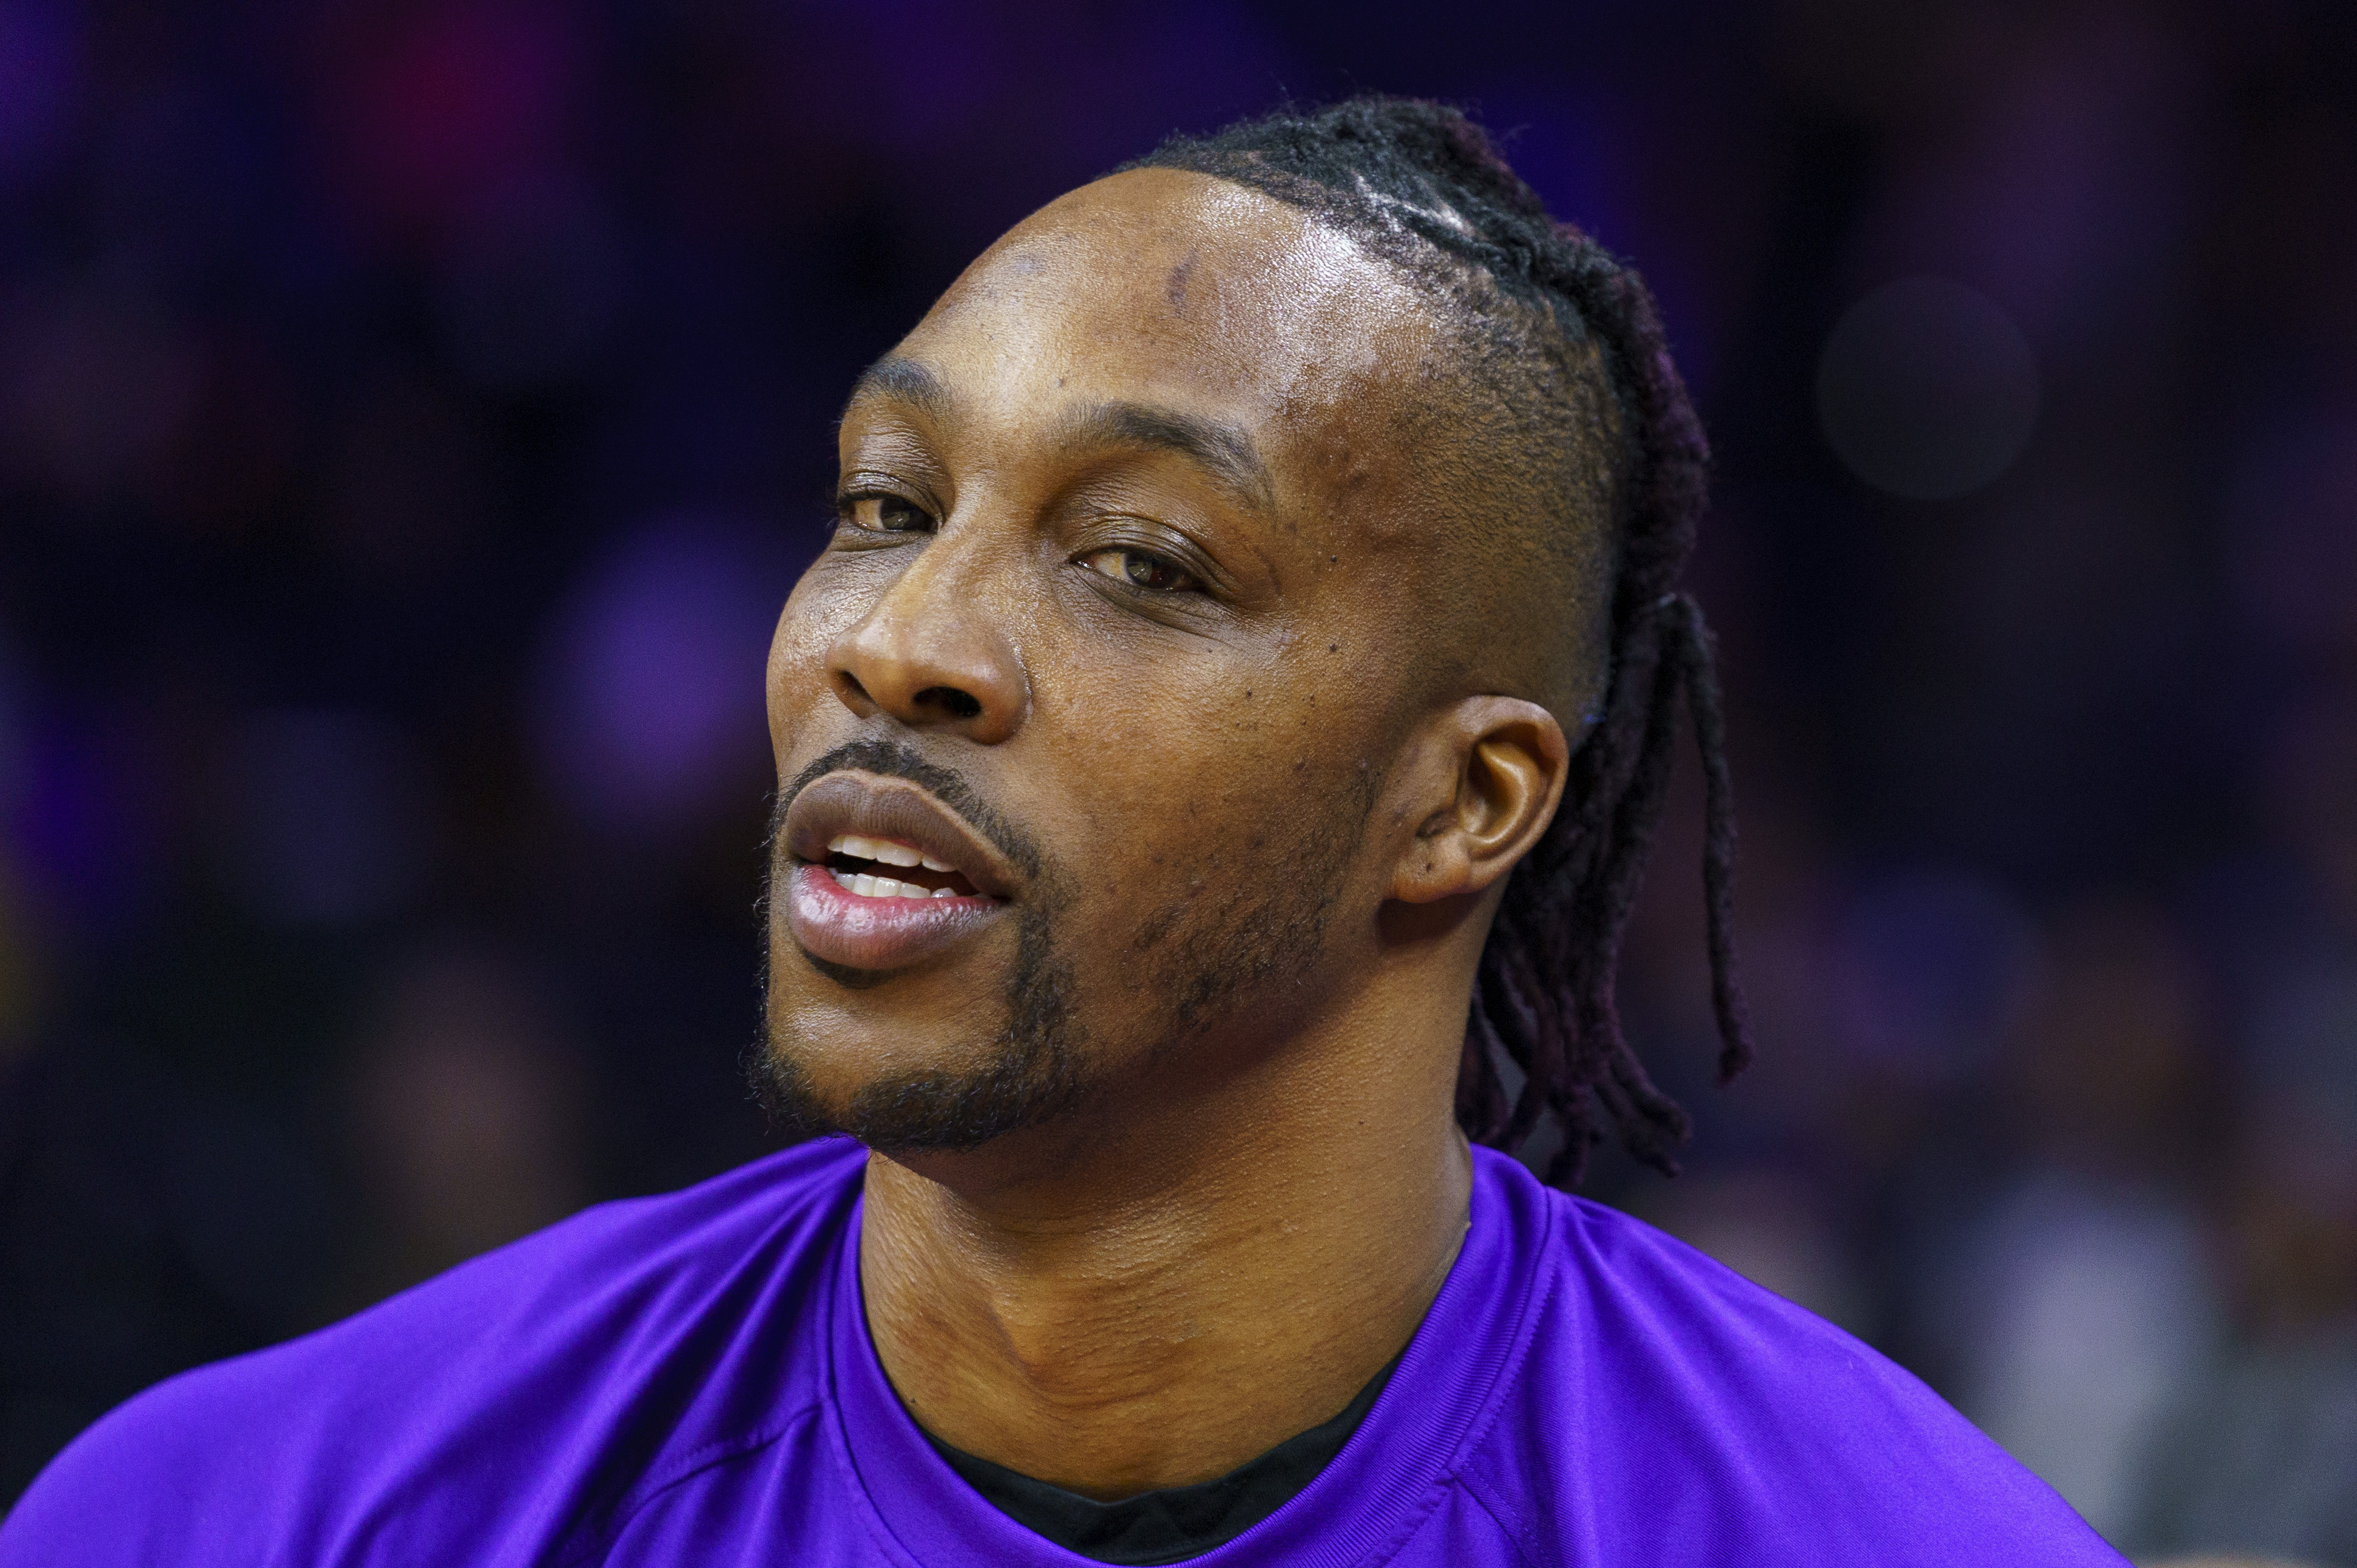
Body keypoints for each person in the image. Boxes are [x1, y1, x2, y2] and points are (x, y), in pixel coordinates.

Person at [0, 98, 2122, 1565]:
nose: (904, 643)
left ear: (1466, 801)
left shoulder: (1863, 1538)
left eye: (1139, 561)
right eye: (885, 506)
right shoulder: (265, 1514)